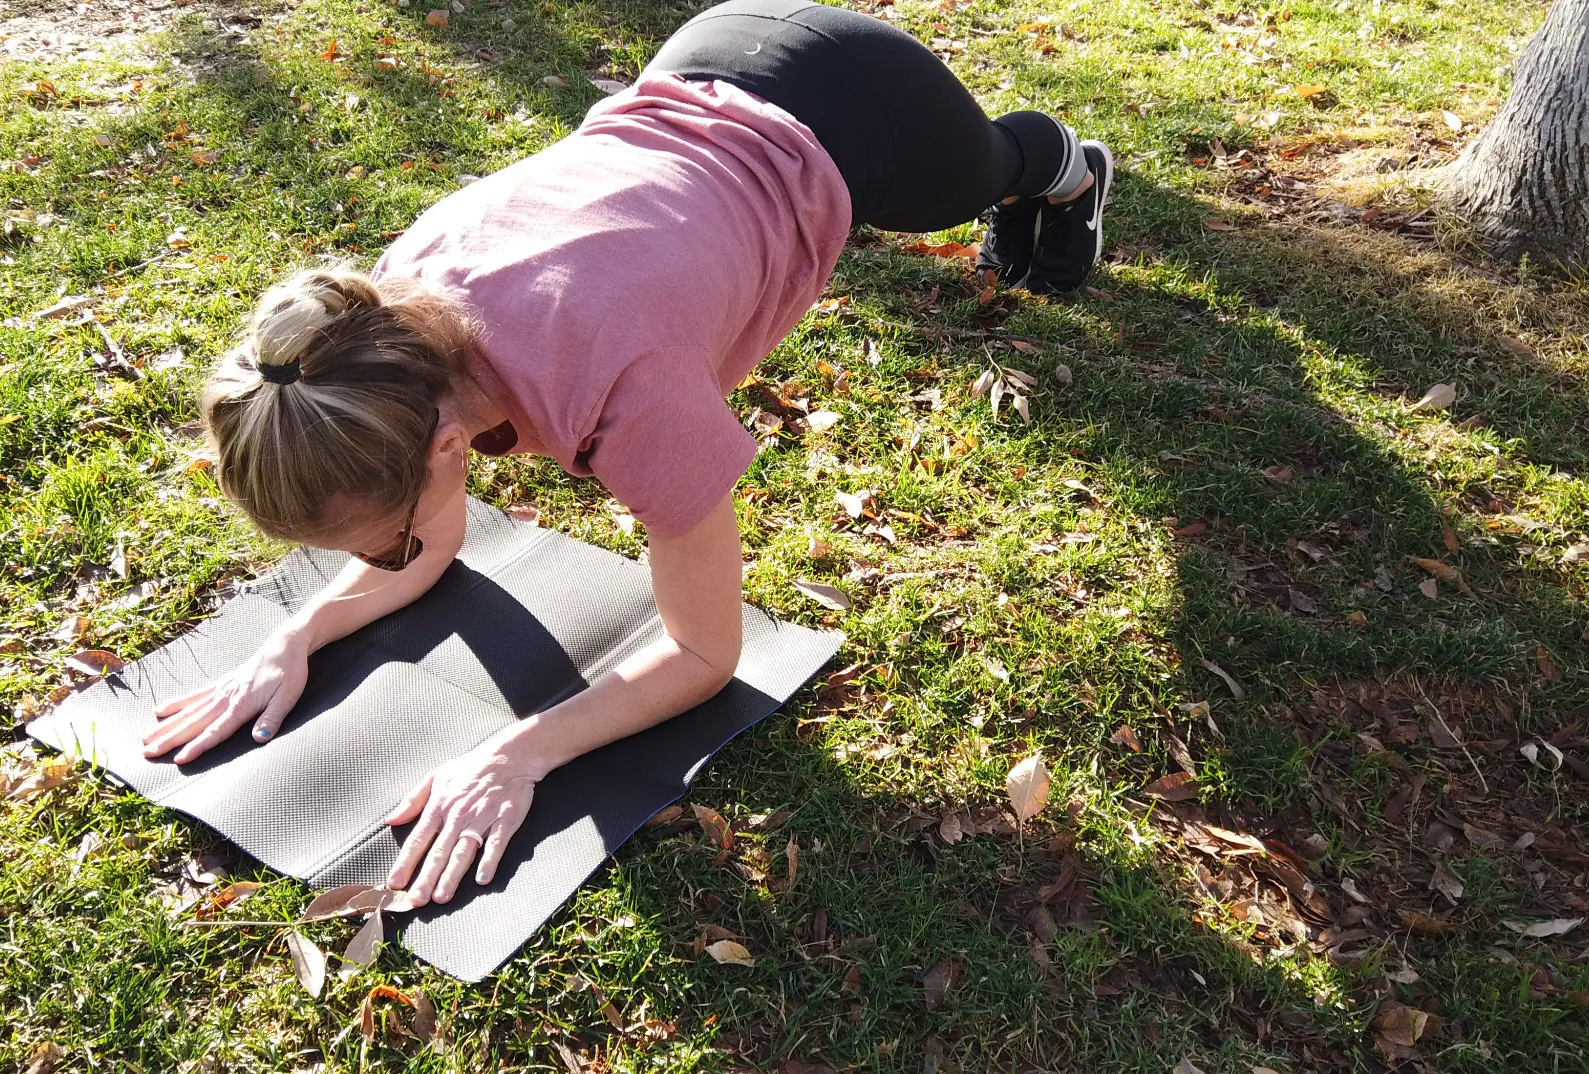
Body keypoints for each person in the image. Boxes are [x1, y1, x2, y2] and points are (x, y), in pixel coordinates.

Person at [139, 0, 1114, 906]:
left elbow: (702, 651)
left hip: (855, 99)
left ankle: (1071, 170)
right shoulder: (375, 341)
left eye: (376, 544)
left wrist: (518, 753)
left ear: (442, 449)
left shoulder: (621, 392)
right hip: (707, 55)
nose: (386, 558)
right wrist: (294, 637)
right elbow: (427, 540)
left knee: (993, 165)